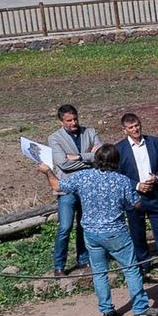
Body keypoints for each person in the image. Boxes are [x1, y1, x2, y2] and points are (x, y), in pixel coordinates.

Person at [41, 143, 154, 316]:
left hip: (92, 234)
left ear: (96, 160)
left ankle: (107, 311)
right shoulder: (122, 180)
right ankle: (140, 309)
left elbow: (57, 186)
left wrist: (47, 171)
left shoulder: (83, 177)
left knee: (100, 272)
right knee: (131, 269)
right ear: (116, 162)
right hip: (116, 233)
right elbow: (135, 205)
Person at [115, 112, 158, 277]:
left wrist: (157, 177)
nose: (135, 129)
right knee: (137, 233)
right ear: (125, 130)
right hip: (134, 197)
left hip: (155, 194)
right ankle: (143, 266)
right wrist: (137, 185)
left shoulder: (154, 142)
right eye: (131, 127)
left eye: (137, 125)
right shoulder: (119, 149)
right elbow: (118, 175)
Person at [47, 104, 99, 275]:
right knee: (65, 227)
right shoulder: (54, 138)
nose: (73, 123)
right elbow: (63, 163)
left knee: (84, 224)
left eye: (75, 119)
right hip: (67, 189)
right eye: (69, 120)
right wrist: (89, 159)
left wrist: (78, 156)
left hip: (87, 188)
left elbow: (102, 155)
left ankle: (83, 260)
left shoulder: (90, 132)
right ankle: (59, 265)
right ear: (61, 121)